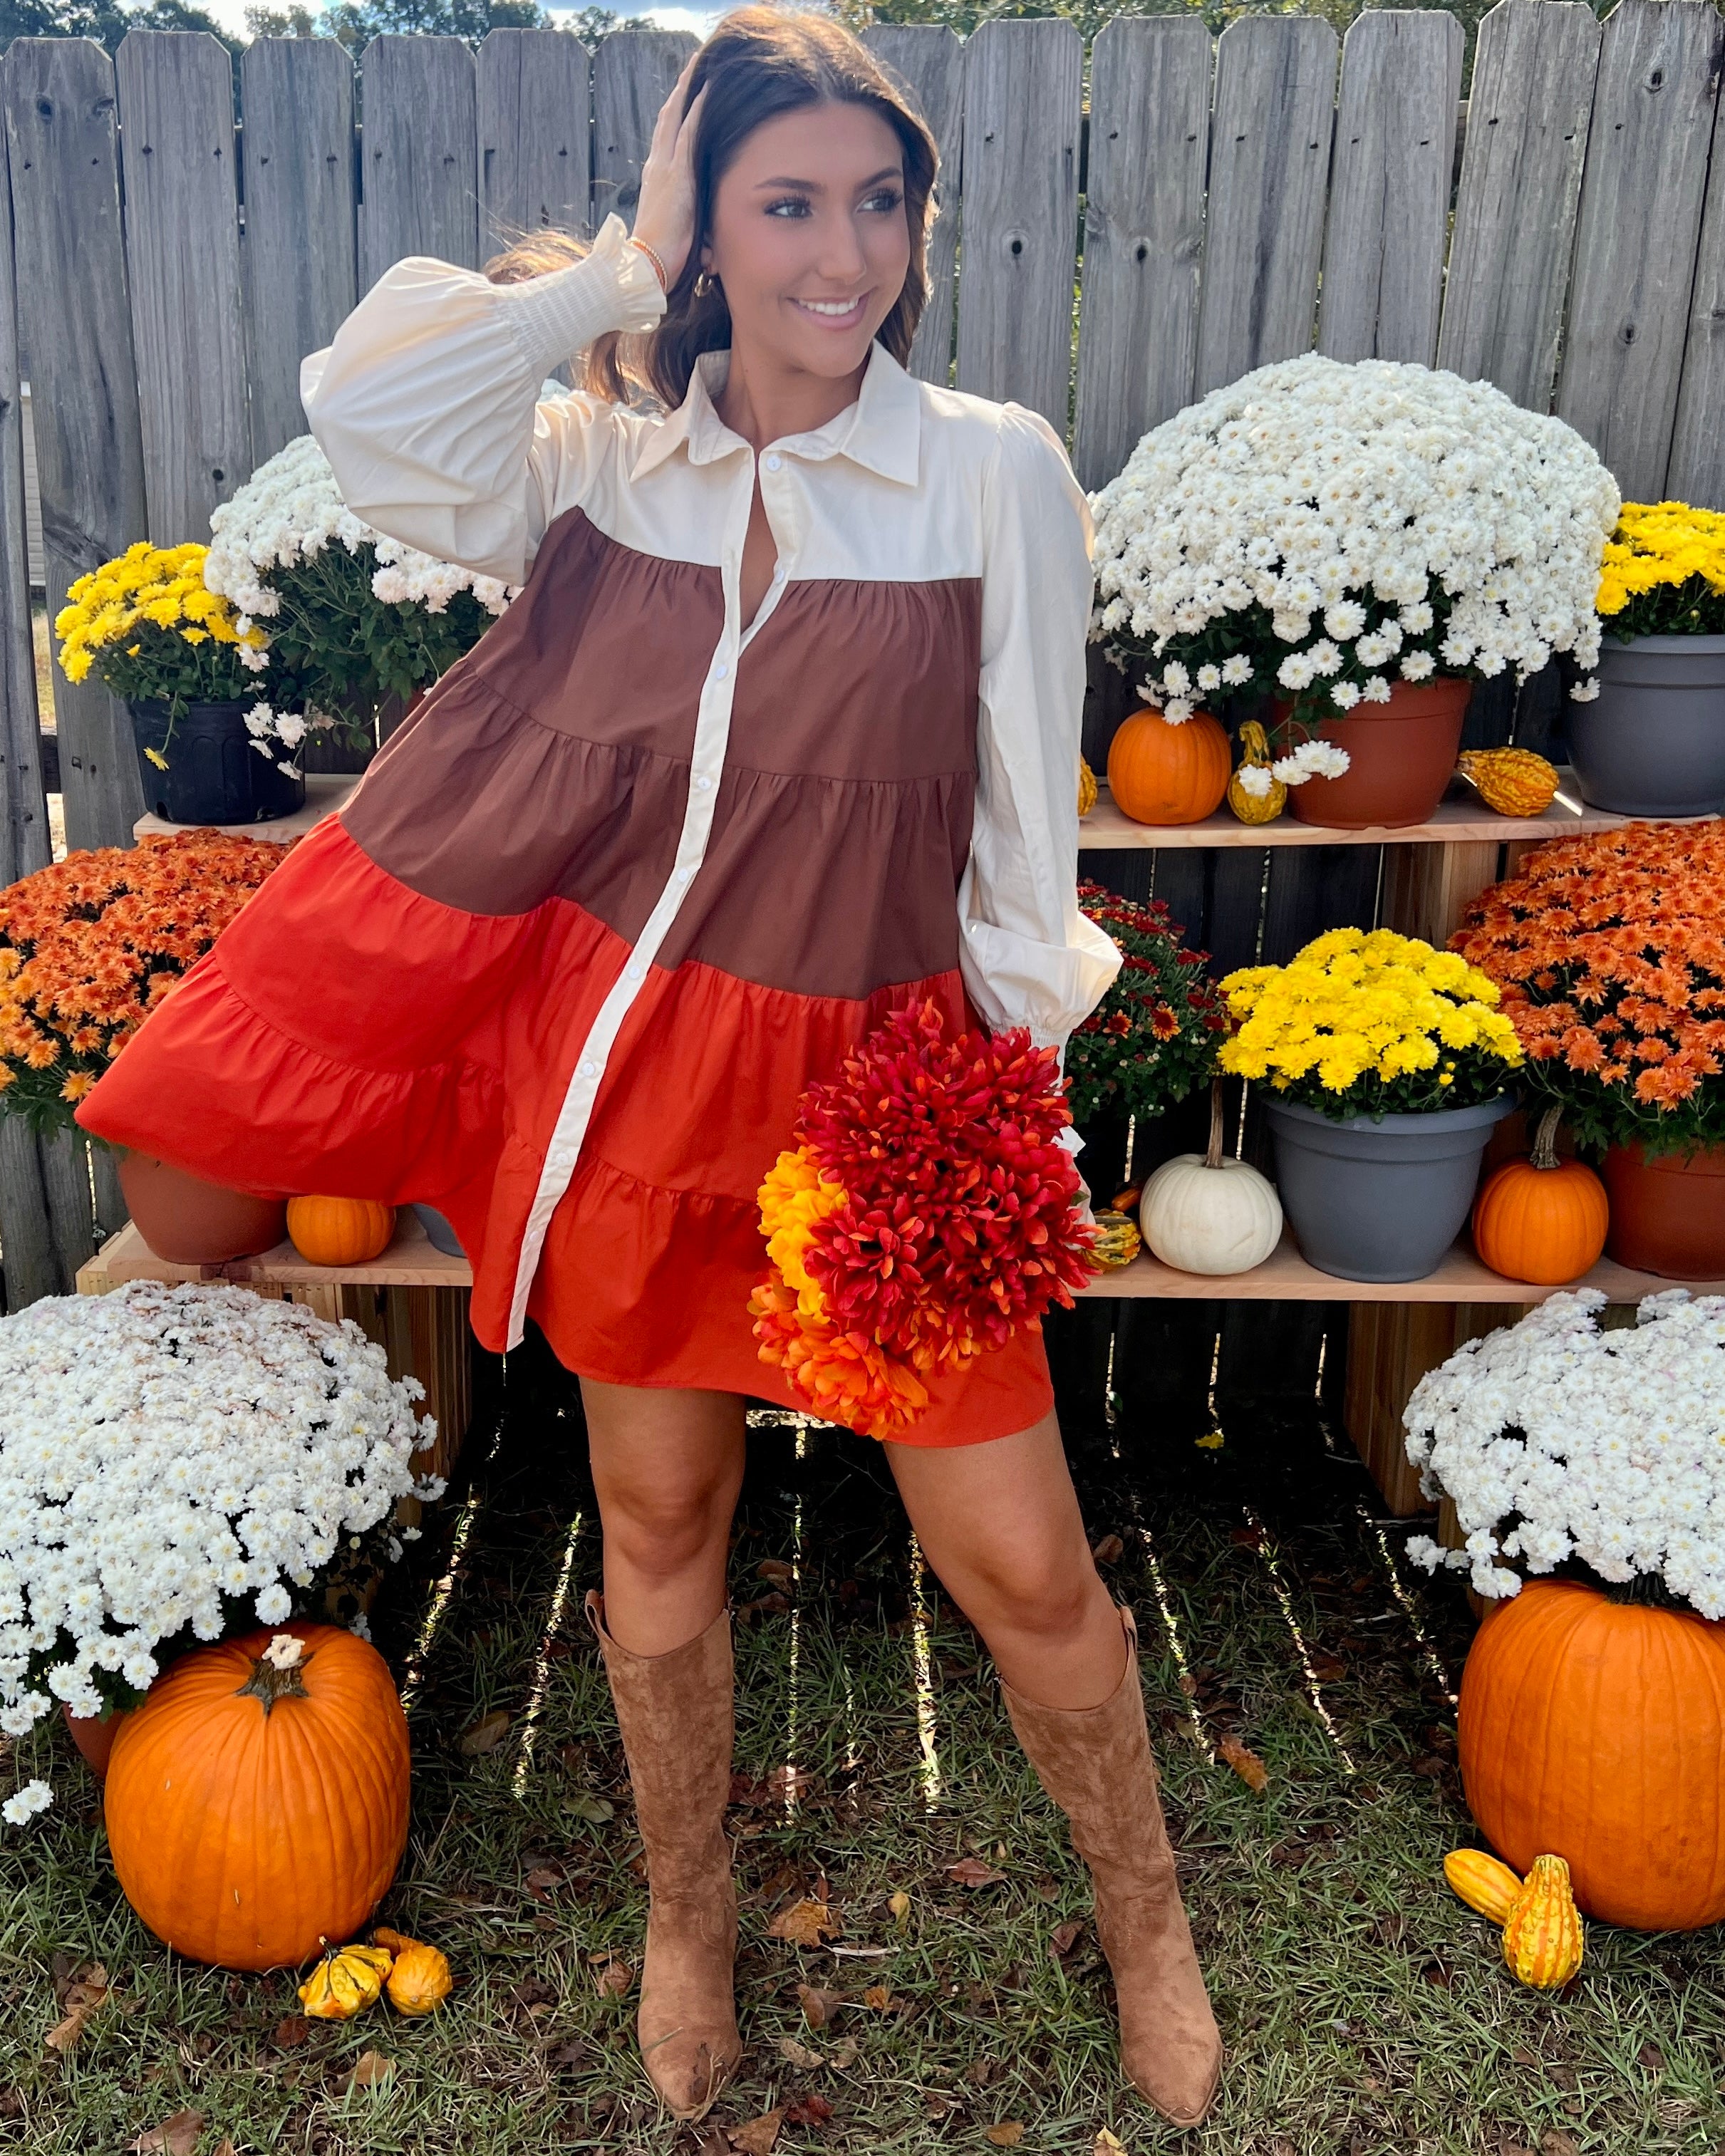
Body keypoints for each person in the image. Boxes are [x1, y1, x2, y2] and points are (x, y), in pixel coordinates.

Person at [73, 8, 1220, 2128]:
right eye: (790, 204)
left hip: (893, 1103)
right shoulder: (603, 463)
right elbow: (368, 408)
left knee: (1024, 1556)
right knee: (658, 1511)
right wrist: (620, 267)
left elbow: (1018, 843)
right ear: (712, 221)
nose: (843, 255)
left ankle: (1148, 1919)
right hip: (636, 1102)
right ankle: (686, 1917)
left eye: (881, 203)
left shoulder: (992, 472)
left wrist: (1008, 1107)